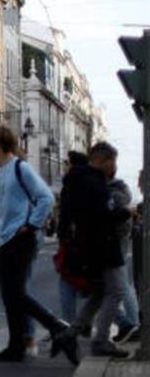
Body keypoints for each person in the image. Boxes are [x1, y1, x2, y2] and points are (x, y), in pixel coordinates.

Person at [0, 125, 77, 364]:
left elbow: (45, 197)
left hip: (22, 239)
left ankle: (56, 326)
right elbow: (1, 210)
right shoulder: (0, 171)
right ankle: (17, 346)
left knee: (16, 293)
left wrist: (31, 225)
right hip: (6, 239)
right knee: (11, 296)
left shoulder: (19, 168)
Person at [58, 142, 134, 358]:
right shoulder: (93, 183)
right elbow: (103, 216)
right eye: (114, 162)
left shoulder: (77, 180)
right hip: (102, 246)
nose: (115, 167)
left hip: (88, 246)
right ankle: (100, 341)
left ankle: (70, 333)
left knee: (101, 292)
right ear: (105, 161)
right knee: (117, 291)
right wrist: (127, 212)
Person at [57, 151, 89, 325]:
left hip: (74, 240)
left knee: (69, 281)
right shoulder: (86, 181)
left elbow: (67, 214)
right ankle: (74, 324)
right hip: (79, 240)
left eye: (66, 163)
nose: (64, 167)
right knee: (83, 285)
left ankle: (69, 325)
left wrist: (64, 236)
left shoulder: (72, 184)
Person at [110, 173, 141, 343]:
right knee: (120, 283)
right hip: (118, 239)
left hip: (113, 240)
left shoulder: (112, 191)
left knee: (118, 283)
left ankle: (131, 324)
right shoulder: (119, 189)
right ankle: (130, 323)